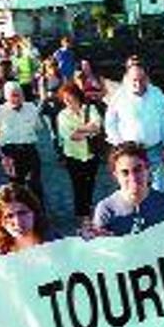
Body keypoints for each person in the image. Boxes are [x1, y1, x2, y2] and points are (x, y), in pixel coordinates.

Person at [104, 63, 164, 193]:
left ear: (147, 78)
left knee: (159, 188)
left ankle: (161, 212)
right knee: (133, 187)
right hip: (130, 152)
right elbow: (110, 122)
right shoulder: (120, 95)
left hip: (154, 149)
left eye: (141, 79)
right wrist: (119, 145)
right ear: (126, 78)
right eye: (134, 80)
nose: (138, 83)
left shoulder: (156, 93)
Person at [89, 142, 164, 237]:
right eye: (125, 172)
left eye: (138, 170)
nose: (133, 178)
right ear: (116, 176)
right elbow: (100, 248)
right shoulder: (106, 210)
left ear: (148, 169)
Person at [0, 81, 48, 203]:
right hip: (10, 152)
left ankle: (38, 214)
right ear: (6, 96)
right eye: (13, 95)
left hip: (29, 149)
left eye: (19, 94)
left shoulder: (31, 107)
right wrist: (2, 155)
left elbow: (39, 127)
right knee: (16, 187)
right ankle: (20, 214)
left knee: (34, 183)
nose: (17, 98)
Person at [57, 82, 102, 225]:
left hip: (91, 154)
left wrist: (79, 130)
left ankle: (88, 208)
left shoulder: (90, 108)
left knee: (90, 184)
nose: (68, 102)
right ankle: (82, 215)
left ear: (77, 95)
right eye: (65, 99)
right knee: (78, 186)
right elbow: (71, 136)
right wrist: (88, 130)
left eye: (70, 97)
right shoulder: (62, 115)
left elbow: (98, 125)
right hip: (73, 156)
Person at [0, 183, 57, 257]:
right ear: (0, 221)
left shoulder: (53, 241)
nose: (18, 222)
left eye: (22, 213)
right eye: (9, 216)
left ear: (34, 213)